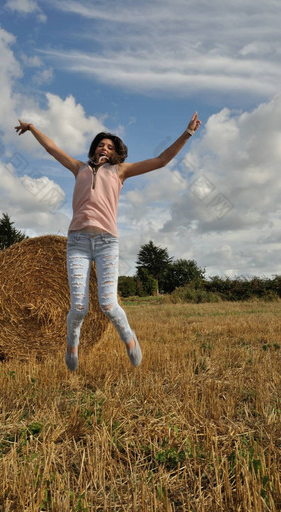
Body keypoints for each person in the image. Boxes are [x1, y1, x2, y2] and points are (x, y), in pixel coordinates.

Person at [15, 112, 201, 371]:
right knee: (79, 307)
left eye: (110, 146)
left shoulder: (120, 171)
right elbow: (52, 148)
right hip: (77, 241)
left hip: (106, 242)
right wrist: (32, 127)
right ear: (94, 149)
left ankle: (129, 338)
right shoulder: (78, 167)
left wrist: (188, 133)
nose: (104, 148)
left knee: (108, 305)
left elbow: (161, 160)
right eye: (101, 145)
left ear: (116, 153)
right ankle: (72, 343)